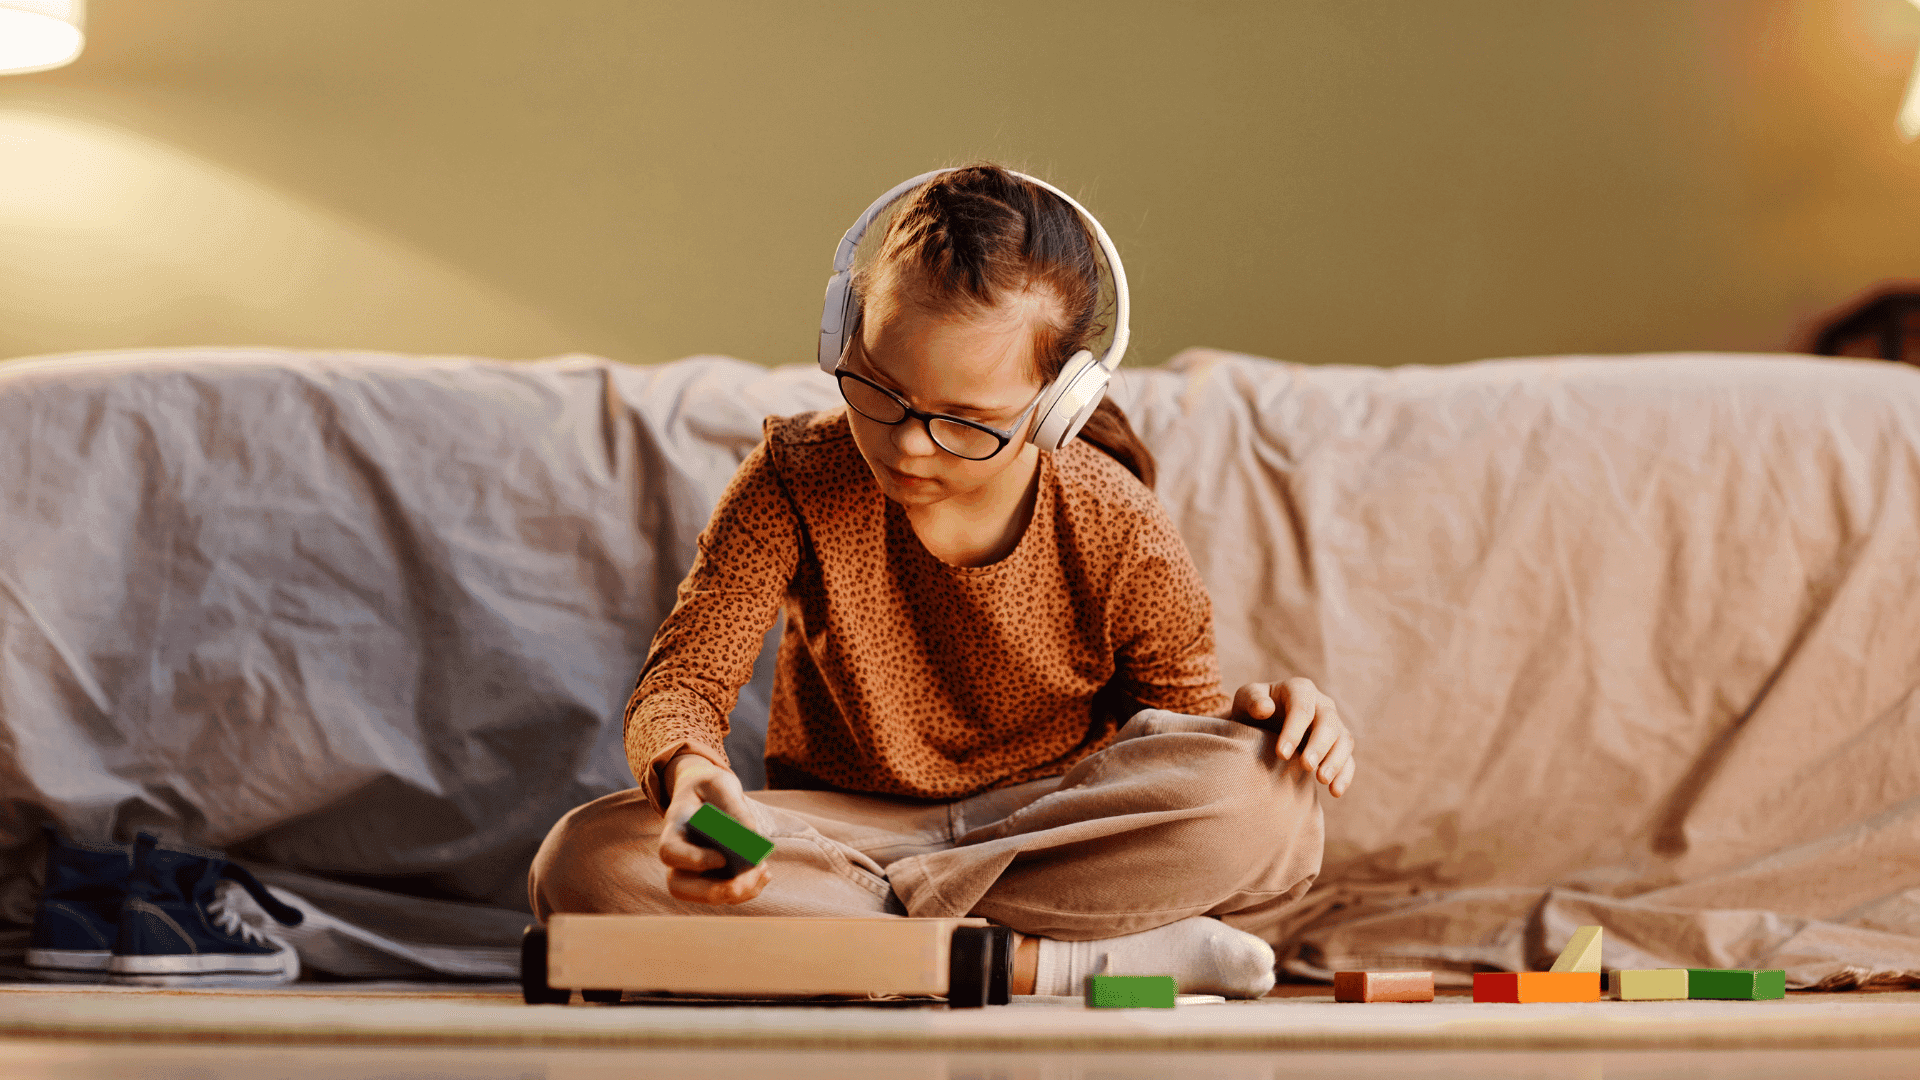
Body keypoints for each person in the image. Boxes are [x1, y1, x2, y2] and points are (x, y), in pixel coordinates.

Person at [529, 163, 1356, 998]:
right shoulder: (793, 477)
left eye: (966, 422)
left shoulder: (1118, 522)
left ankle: (862, 947)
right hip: (844, 841)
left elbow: (1173, 745)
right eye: (879, 390)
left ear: (1056, 403)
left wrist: (1255, 730)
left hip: (1050, 828)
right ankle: (1057, 964)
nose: (908, 445)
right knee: (586, 860)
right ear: (843, 333)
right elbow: (687, 679)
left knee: (1269, 800)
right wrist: (691, 780)